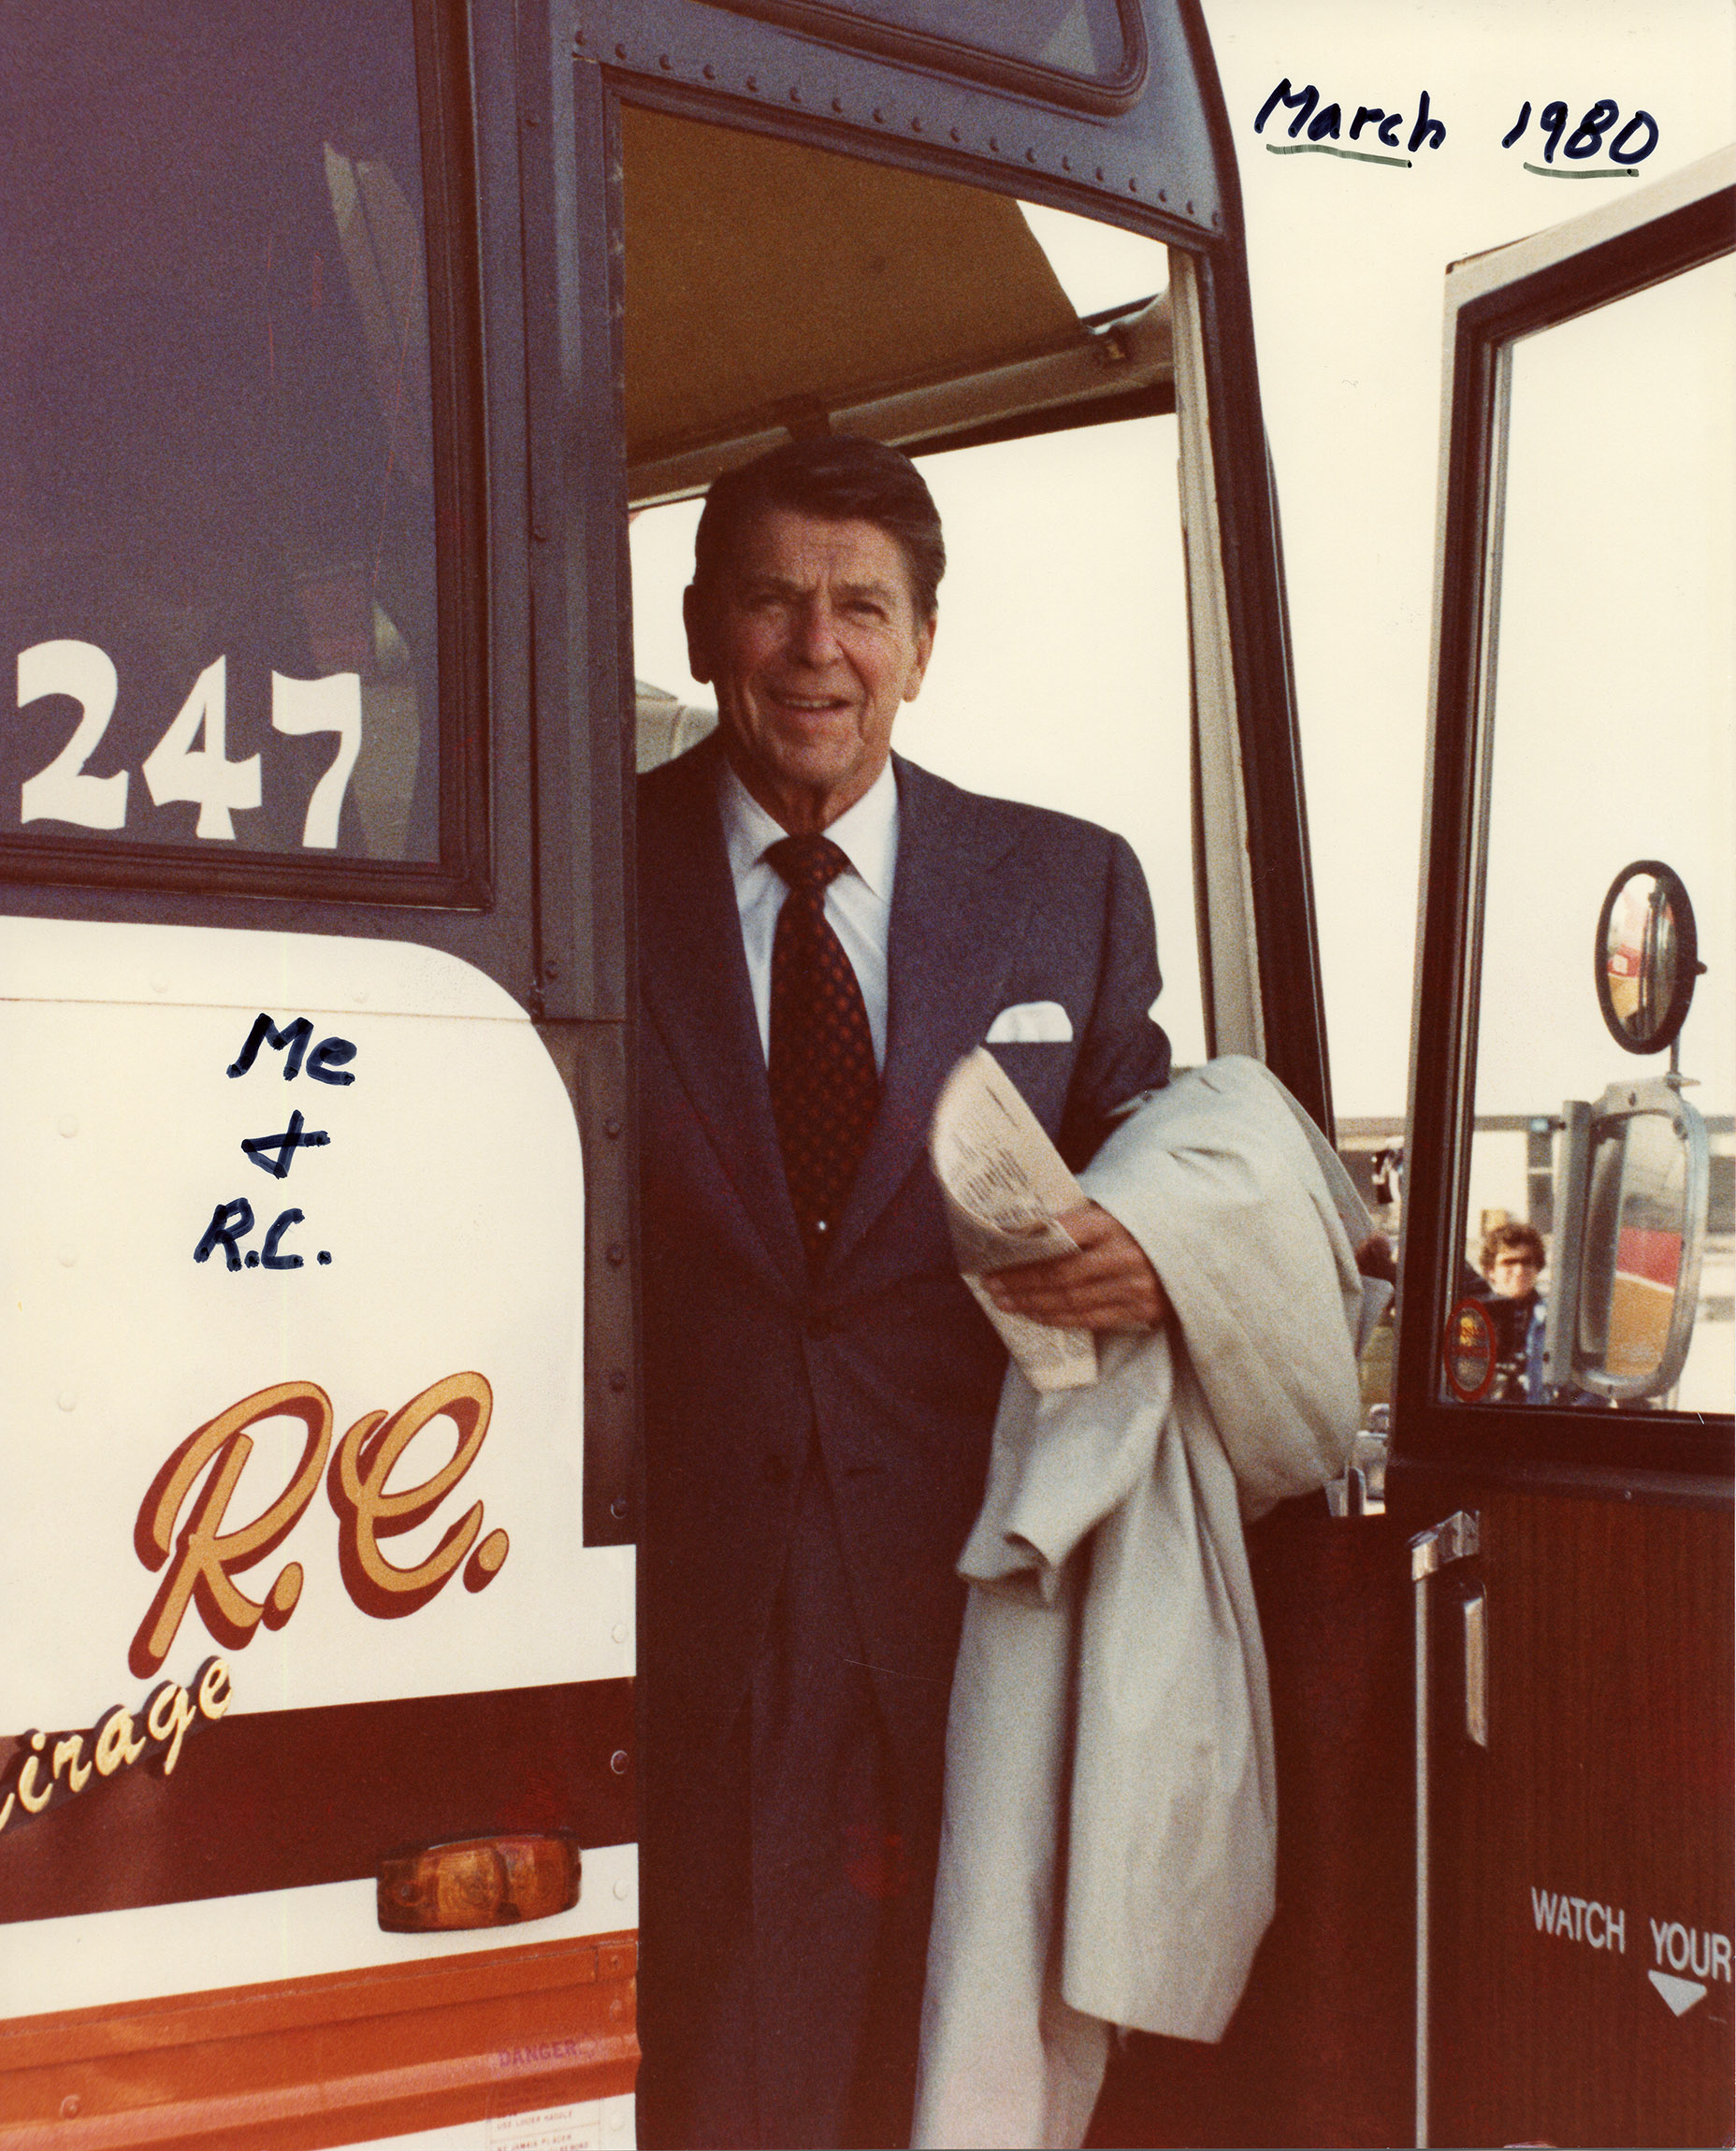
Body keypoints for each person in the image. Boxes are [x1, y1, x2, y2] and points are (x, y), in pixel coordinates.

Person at [635, 437, 1174, 2150]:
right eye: (775, 602)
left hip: (967, 1600)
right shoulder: (578, 870)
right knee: (707, 2068)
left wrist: (1157, 1245)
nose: (817, 648)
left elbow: (1156, 1133)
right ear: (705, 624)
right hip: (659, 1621)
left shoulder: (1067, 886)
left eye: (862, 607)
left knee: (943, 2071)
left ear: (923, 645)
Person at [1477, 1220, 1547, 1402]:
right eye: (1509, 1262)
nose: (1519, 1270)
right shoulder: (1473, 1316)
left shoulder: (1556, 1321)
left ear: (1537, 1267)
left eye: (1527, 1262)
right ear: (1491, 1270)